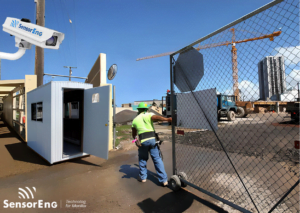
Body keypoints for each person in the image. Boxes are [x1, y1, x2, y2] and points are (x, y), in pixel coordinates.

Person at [131, 102, 172, 186]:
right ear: (146, 109)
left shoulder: (135, 120)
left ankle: (143, 178)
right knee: (157, 159)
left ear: (138, 110)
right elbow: (156, 117)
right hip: (152, 140)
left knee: (142, 159)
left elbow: (134, 134)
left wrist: (135, 141)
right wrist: (167, 119)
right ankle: (164, 180)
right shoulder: (149, 115)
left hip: (143, 142)